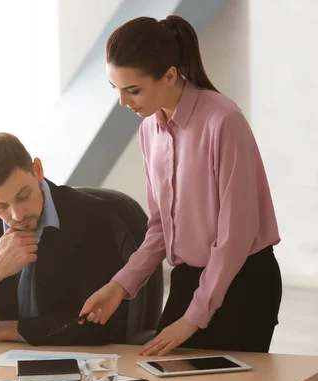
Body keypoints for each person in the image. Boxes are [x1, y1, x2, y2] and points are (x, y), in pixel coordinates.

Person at [79, 15, 282, 356]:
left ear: (170, 75)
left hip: (244, 281)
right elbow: (160, 227)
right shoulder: (150, 130)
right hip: (189, 279)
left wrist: (195, 316)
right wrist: (119, 285)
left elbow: (236, 234)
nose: (123, 102)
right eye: (116, 89)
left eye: (133, 90)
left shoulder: (224, 121)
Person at [0, 132, 132, 345]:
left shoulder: (92, 215)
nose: (17, 215)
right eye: (0, 206)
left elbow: (102, 323)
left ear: (38, 170)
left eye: (23, 196)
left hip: (75, 362)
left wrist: (10, 330)